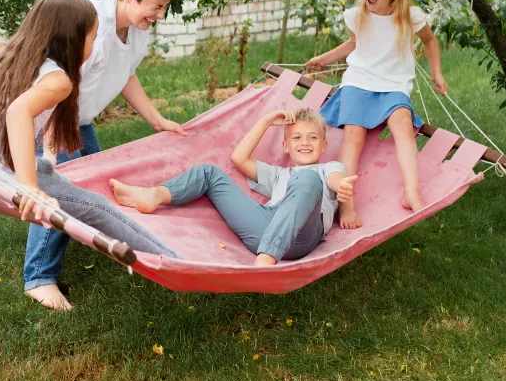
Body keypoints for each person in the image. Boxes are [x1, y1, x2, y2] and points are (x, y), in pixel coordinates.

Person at [0, 0, 178, 306]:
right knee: (99, 207)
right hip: (2, 178)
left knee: (67, 175)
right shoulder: (58, 80)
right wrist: (31, 189)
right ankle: (176, 261)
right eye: (93, 37)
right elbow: (18, 112)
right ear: (72, 40)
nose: (94, 45)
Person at [26, 0, 184, 310]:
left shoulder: (137, 29)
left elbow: (126, 73)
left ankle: (95, 239)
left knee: (98, 185)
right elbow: (57, 85)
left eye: (163, 8)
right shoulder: (89, 24)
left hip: (78, 120)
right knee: (64, 192)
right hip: (53, 117)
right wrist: (51, 148)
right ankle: (38, 277)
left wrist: (157, 120)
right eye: (156, 7)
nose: (159, 15)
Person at [109, 109, 357, 265]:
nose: (305, 143)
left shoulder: (328, 168)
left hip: (301, 235)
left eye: (312, 137)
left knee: (308, 180)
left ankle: (265, 261)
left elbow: (336, 179)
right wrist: (265, 121)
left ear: (324, 145)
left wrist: (343, 190)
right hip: (265, 225)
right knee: (208, 172)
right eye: (297, 138)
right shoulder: (279, 174)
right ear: (285, 146)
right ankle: (155, 195)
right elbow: (239, 159)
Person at [305, 0, 447, 228]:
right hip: (359, 82)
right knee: (353, 137)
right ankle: (346, 205)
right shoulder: (357, 15)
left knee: (403, 126)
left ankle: (411, 191)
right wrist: (324, 58)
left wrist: (437, 73)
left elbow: (429, 41)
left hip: (393, 86)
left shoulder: (410, 16)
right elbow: (353, 44)